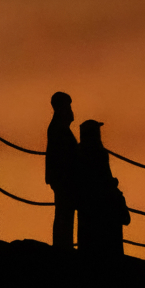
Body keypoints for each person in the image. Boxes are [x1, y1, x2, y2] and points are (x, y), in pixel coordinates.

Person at [76, 119, 129, 257]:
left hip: (86, 205)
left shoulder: (78, 152)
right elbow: (104, 178)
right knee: (108, 244)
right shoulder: (99, 153)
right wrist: (113, 184)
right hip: (103, 205)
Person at [45, 92, 80, 250]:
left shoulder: (58, 127)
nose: (71, 111)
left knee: (63, 212)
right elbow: (65, 156)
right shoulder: (59, 129)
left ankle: (63, 244)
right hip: (64, 178)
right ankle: (63, 245)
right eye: (68, 106)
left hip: (62, 178)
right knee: (64, 212)